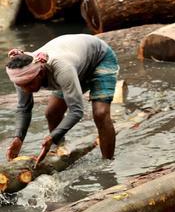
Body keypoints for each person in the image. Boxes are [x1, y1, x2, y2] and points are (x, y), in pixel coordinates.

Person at [5, 34, 118, 165]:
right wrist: (18, 138)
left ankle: (108, 164)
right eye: (21, 86)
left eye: (29, 85)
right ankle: (59, 153)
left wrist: (52, 136)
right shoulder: (20, 74)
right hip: (75, 61)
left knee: (100, 113)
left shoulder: (62, 69)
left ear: (41, 73)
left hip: (99, 58)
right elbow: (24, 108)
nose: (25, 90)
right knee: (52, 112)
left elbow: (76, 111)